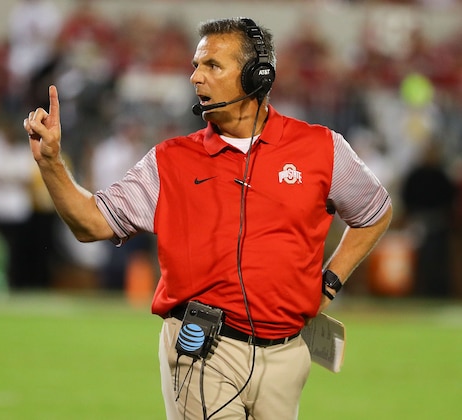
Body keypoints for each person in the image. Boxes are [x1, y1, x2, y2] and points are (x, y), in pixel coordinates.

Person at [24, 17, 392, 420]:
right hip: (204, 351)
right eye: (196, 65)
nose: (196, 77)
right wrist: (52, 164)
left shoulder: (321, 147)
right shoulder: (170, 160)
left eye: (212, 66)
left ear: (257, 76)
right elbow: (91, 222)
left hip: (288, 353)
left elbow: (375, 213)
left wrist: (330, 282)